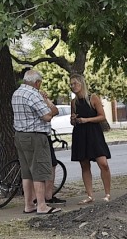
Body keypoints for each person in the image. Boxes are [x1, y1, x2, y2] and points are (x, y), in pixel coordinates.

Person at [11, 70, 59, 214]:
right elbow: (47, 116)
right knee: (39, 171)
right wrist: (48, 105)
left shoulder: (16, 93)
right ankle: (42, 205)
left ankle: (28, 205)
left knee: (26, 172)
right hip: (35, 136)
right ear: (37, 82)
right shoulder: (33, 94)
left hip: (20, 136)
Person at [67, 73, 111, 204]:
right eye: (71, 84)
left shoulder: (93, 98)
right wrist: (73, 119)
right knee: (84, 165)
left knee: (103, 163)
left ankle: (107, 193)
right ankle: (90, 195)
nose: (72, 86)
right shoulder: (74, 102)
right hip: (80, 134)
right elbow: (72, 121)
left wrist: (87, 120)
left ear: (81, 83)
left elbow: (102, 116)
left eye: (75, 83)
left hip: (94, 133)